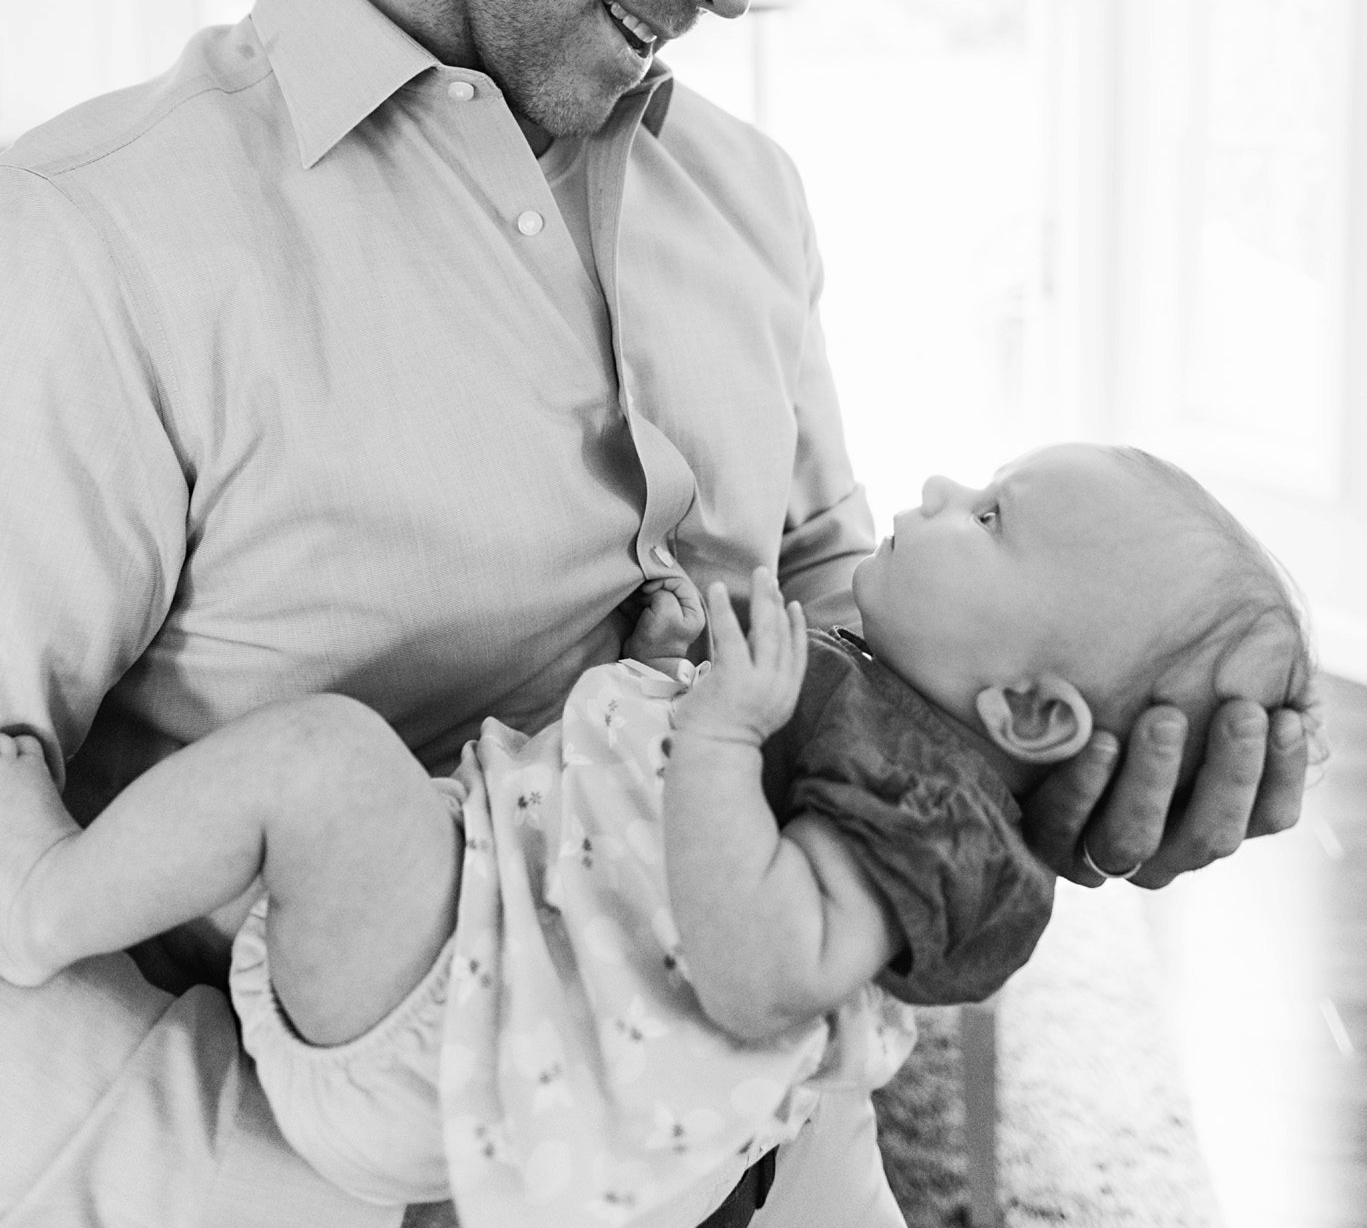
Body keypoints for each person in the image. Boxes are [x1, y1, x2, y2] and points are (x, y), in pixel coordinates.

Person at [0, 0, 1312, 1228]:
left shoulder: (753, 198)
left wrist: (1025, 760)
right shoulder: (94, 241)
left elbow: (829, 581)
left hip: (801, 1156)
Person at [0, 443, 1319, 1228]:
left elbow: (760, 972)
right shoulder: (863, 692)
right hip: (471, 965)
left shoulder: (940, 831)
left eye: (988, 516)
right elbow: (643, 807)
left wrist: (724, 732)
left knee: (322, 761)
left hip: (459, 1036)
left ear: (1030, 710)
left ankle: (45, 900)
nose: (936, 484)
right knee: (315, 786)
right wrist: (673, 671)